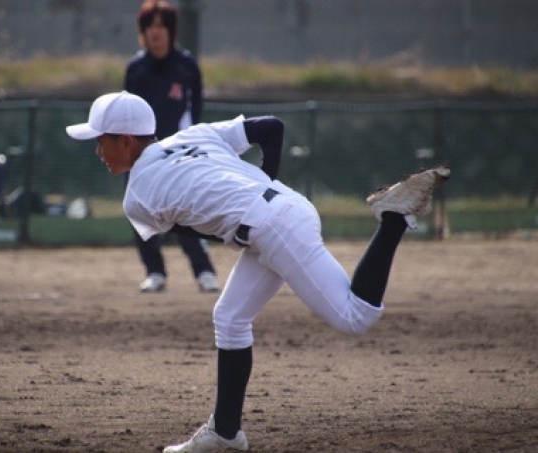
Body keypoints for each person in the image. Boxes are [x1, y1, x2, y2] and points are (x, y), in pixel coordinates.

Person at [66, 91, 450, 453]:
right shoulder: (192, 136)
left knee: (356, 316)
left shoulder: (136, 197)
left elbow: (200, 230)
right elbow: (271, 127)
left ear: (126, 141)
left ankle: (392, 219)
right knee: (230, 317)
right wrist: (265, 185)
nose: (98, 151)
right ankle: (225, 433)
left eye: (101, 141)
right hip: (287, 206)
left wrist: (250, 219)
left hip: (271, 228)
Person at [123, 0, 220, 293]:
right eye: (150, 27)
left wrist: (189, 149)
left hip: (179, 155)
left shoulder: (187, 66)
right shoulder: (135, 69)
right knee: (140, 213)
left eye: (162, 26)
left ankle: (204, 271)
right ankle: (155, 272)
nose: (156, 32)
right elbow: (127, 113)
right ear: (143, 32)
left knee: (186, 213)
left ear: (171, 30)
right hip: (140, 155)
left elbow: (195, 111)